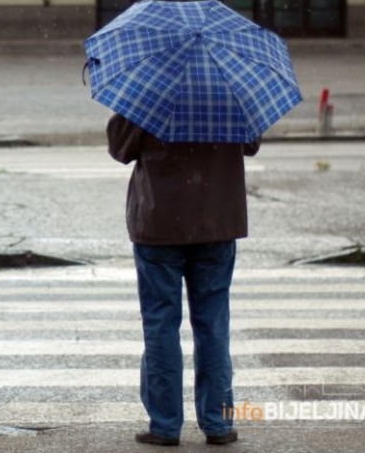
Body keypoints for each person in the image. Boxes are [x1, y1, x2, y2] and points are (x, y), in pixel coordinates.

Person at [106, 113, 260, 447]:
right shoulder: (228, 92)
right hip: (217, 220)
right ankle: (218, 423)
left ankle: (164, 424)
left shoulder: (148, 93)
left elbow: (120, 147)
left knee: (160, 323)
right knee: (213, 325)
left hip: (159, 222)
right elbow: (251, 144)